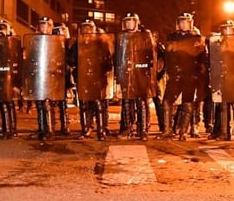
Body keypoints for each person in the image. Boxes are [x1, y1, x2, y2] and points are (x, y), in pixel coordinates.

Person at [162, 13, 208, 141]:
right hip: (175, 75)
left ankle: (183, 132)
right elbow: (168, 56)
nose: (183, 24)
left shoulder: (197, 38)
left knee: (188, 105)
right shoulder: (172, 37)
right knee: (166, 102)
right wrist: (169, 70)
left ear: (191, 23)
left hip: (190, 75)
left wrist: (199, 74)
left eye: (186, 22)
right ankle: (167, 131)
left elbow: (202, 59)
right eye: (181, 22)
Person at [68, 19, 114, 141]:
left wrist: (102, 70)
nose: (87, 31)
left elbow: (108, 61)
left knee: (98, 104)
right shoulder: (77, 44)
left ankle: (101, 130)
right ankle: (86, 129)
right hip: (82, 78)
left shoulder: (100, 43)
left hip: (97, 78)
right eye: (85, 28)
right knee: (84, 104)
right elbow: (70, 59)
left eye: (89, 28)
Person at [116, 12, 156, 141]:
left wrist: (144, 68)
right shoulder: (122, 36)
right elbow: (118, 56)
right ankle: (128, 128)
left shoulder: (145, 35)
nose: (128, 23)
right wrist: (119, 72)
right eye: (126, 21)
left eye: (131, 21)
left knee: (141, 102)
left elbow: (151, 55)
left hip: (141, 73)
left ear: (136, 22)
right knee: (127, 101)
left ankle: (142, 130)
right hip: (126, 72)